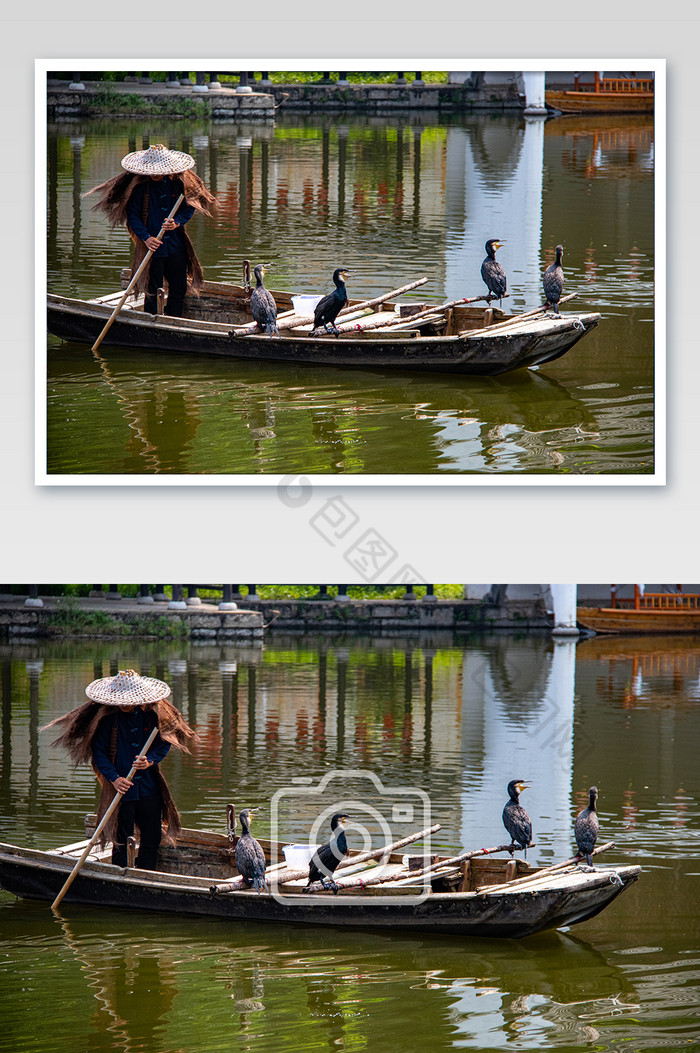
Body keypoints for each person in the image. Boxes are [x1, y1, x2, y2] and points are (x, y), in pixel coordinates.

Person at [46, 668, 196, 870]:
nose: (124, 704)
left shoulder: (152, 716)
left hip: (148, 787)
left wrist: (149, 760)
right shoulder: (108, 720)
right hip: (121, 790)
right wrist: (115, 779)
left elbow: (164, 743)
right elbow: (99, 753)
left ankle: (146, 875)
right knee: (121, 840)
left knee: (151, 836)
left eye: (129, 700)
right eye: (121, 700)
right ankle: (120, 875)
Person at [86, 143, 218, 317]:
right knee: (152, 290)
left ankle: (173, 321)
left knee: (178, 286)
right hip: (152, 248)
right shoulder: (141, 188)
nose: (155, 174)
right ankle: (151, 321)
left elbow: (189, 207)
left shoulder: (178, 184)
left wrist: (177, 222)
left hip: (175, 245)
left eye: (159, 171)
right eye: (152, 171)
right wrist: (146, 238)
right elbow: (133, 217)